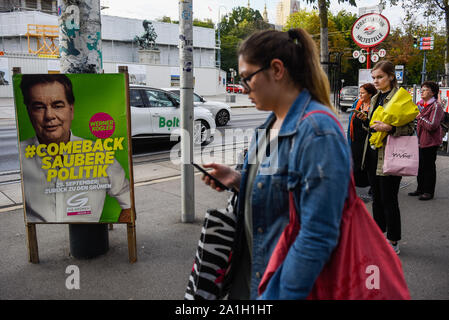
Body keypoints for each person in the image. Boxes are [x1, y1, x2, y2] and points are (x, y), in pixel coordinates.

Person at [200, 28, 351, 299]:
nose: (243, 88)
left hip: (280, 287)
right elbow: (278, 191)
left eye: (247, 78)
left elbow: (318, 235)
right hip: (252, 277)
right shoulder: (270, 124)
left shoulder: (317, 130)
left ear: (277, 69)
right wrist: (237, 179)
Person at [19, 74, 131, 223]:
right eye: (39, 107)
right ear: (28, 111)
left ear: (71, 110)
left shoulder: (98, 154)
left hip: (90, 239)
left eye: (58, 105)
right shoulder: (21, 155)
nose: (49, 115)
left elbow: (128, 198)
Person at [359, 61, 415, 255]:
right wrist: (365, 120)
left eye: (380, 77)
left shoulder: (401, 97)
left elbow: (410, 127)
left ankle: (393, 240)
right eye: (373, 78)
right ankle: (378, 234)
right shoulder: (376, 98)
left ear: (391, 76)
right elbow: (373, 125)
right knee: (376, 199)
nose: (376, 81)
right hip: (373, 154)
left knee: (389, 199)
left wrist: (390, 128)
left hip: (390, 155)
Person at [408, 81, 444, 200]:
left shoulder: (436, 106)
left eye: (425, 89)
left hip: (430, 142)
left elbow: (432, 125)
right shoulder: (422, 104)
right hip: (420, 141)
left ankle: (428, 192)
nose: (422, 91)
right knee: (420, 167)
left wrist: (419, 116)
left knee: (429, 167)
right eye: (422, 89)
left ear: (433, 92)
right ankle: (420, 189)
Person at [347, 83, 377, 188]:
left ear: (370, 94)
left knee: (366, 162)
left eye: (363, 93)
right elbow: (351, 120)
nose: (360, 95)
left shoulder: (375, 105)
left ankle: (368, 183)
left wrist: (365, 119)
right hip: (355, 138)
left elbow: (373, 124)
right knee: (355, 160)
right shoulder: (358, 103)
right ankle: (356, 182)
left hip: (367, 139)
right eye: (359, 92)